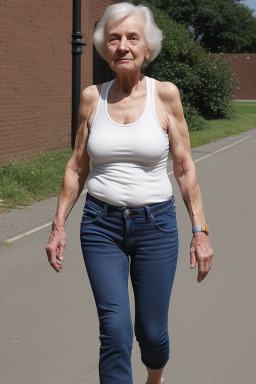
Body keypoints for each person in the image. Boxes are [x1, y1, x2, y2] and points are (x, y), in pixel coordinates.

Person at [46, 2, 213, 384]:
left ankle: (156, 376)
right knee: (115, 331)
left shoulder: (166, 95)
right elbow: (77, 166)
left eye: (132, 37)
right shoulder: (92, 98)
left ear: (147, 48)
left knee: (152, 334)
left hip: (156, 227)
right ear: (105, 47)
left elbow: (184, 167)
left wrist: (200, 232)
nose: (123, 45)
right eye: (115, 38)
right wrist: (58, 225)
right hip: (100, 226)